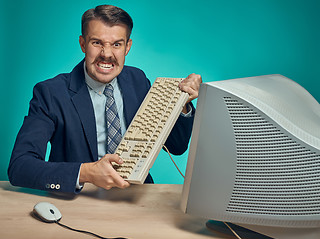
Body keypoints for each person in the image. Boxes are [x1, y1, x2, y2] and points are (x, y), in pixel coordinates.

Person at [8, 5, 202, 193]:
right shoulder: (50, 93)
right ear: (83, 44)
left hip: (137, 197)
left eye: (116, 44)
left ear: (127, 47)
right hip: (80, 200)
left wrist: (183, 102)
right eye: (97, 43)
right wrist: (86, 172)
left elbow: (176, 146)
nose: (106, 54)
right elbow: (20, 166)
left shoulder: (138, 80)